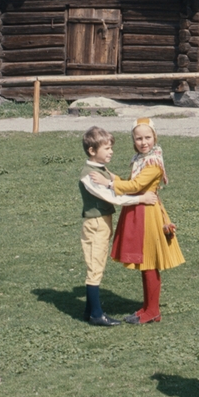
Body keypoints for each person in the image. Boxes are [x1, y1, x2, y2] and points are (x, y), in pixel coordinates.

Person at [92, 117, 184, 324]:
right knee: (144, 262)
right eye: (139, 138)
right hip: (138, 210)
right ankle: (148, 307)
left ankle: (153, 310)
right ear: (133, 139)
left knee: (149, 261)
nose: (144, 142)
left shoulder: (153, 163)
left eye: (147, 138)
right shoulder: (140, 159)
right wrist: (112, 177)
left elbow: (135, 186)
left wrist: (109, 184)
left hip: (148, 214)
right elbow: (131, 183)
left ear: (155, 137)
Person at [77, 125, 157, 326]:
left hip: (102, 222)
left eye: (111, 147)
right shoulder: (90, 175)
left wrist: (112, 179)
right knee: (95, 267)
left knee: (98, 264)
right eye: (106, 148)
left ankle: (89, 310)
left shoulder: (100, 170)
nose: (111, 152)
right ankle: (96, 314)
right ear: (92, 151)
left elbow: (115, 185)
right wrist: (141, 199)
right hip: (95, 224)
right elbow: (113, 198)